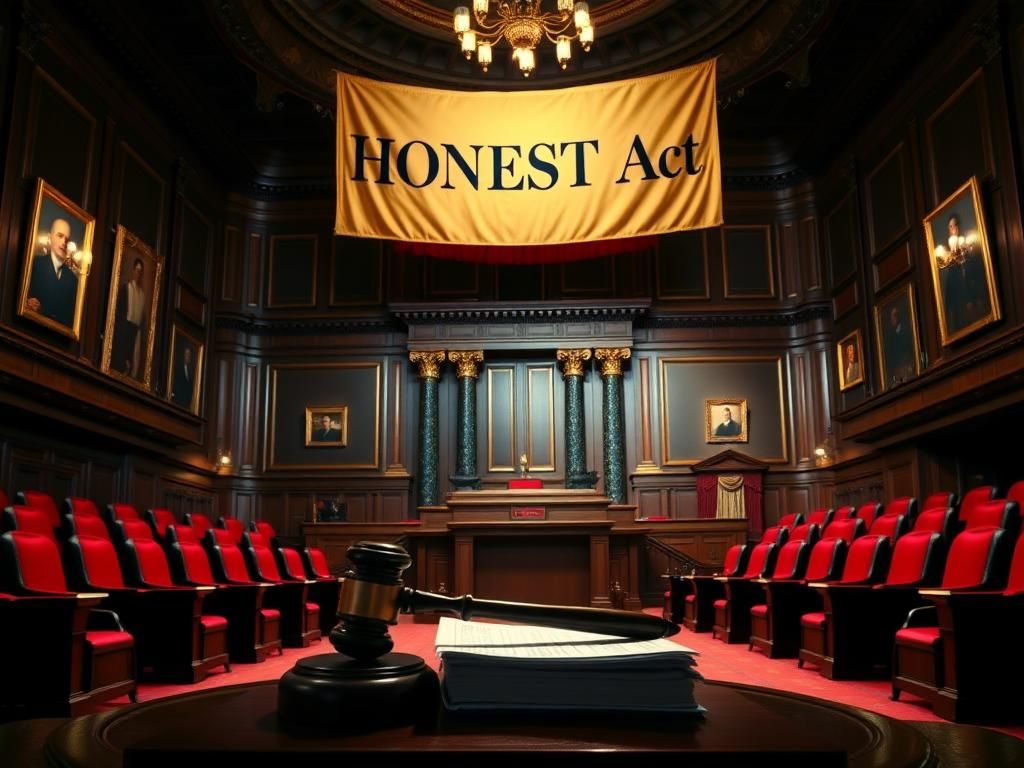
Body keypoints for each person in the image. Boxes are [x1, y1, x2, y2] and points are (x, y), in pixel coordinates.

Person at [938, 213, 990, 335]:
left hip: (975, 299)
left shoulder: (967, 247)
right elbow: (951, 287)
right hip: (960, 305)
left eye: (954, 226)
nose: (952, 229)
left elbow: (976, 274)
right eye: (950, 227)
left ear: (958, 227)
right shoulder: (948, 257)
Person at [25, 217, 78, 327]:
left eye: (67, 239)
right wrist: (26, 303)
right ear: (50, 237)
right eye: (60, 236)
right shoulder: (34, 263)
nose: (64, 242)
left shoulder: (73, 280)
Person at [112, 258, 147, 377]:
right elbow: (119, 313)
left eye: (140, 271)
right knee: (121, 360)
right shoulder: (126, 288)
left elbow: (141, 320)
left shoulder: (142, 295)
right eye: (136, 270)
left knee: (131, 362)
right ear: (133, 271)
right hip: (124, 329)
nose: (138, 273)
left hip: (134, 332)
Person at [883, 305, 915, 385]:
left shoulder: (906, 330)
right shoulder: (890, 335)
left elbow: (909, 348)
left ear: (898, 317)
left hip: (907, 365)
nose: (892, 320)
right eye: (891, 318)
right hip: (897, 368)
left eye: (893, 317)